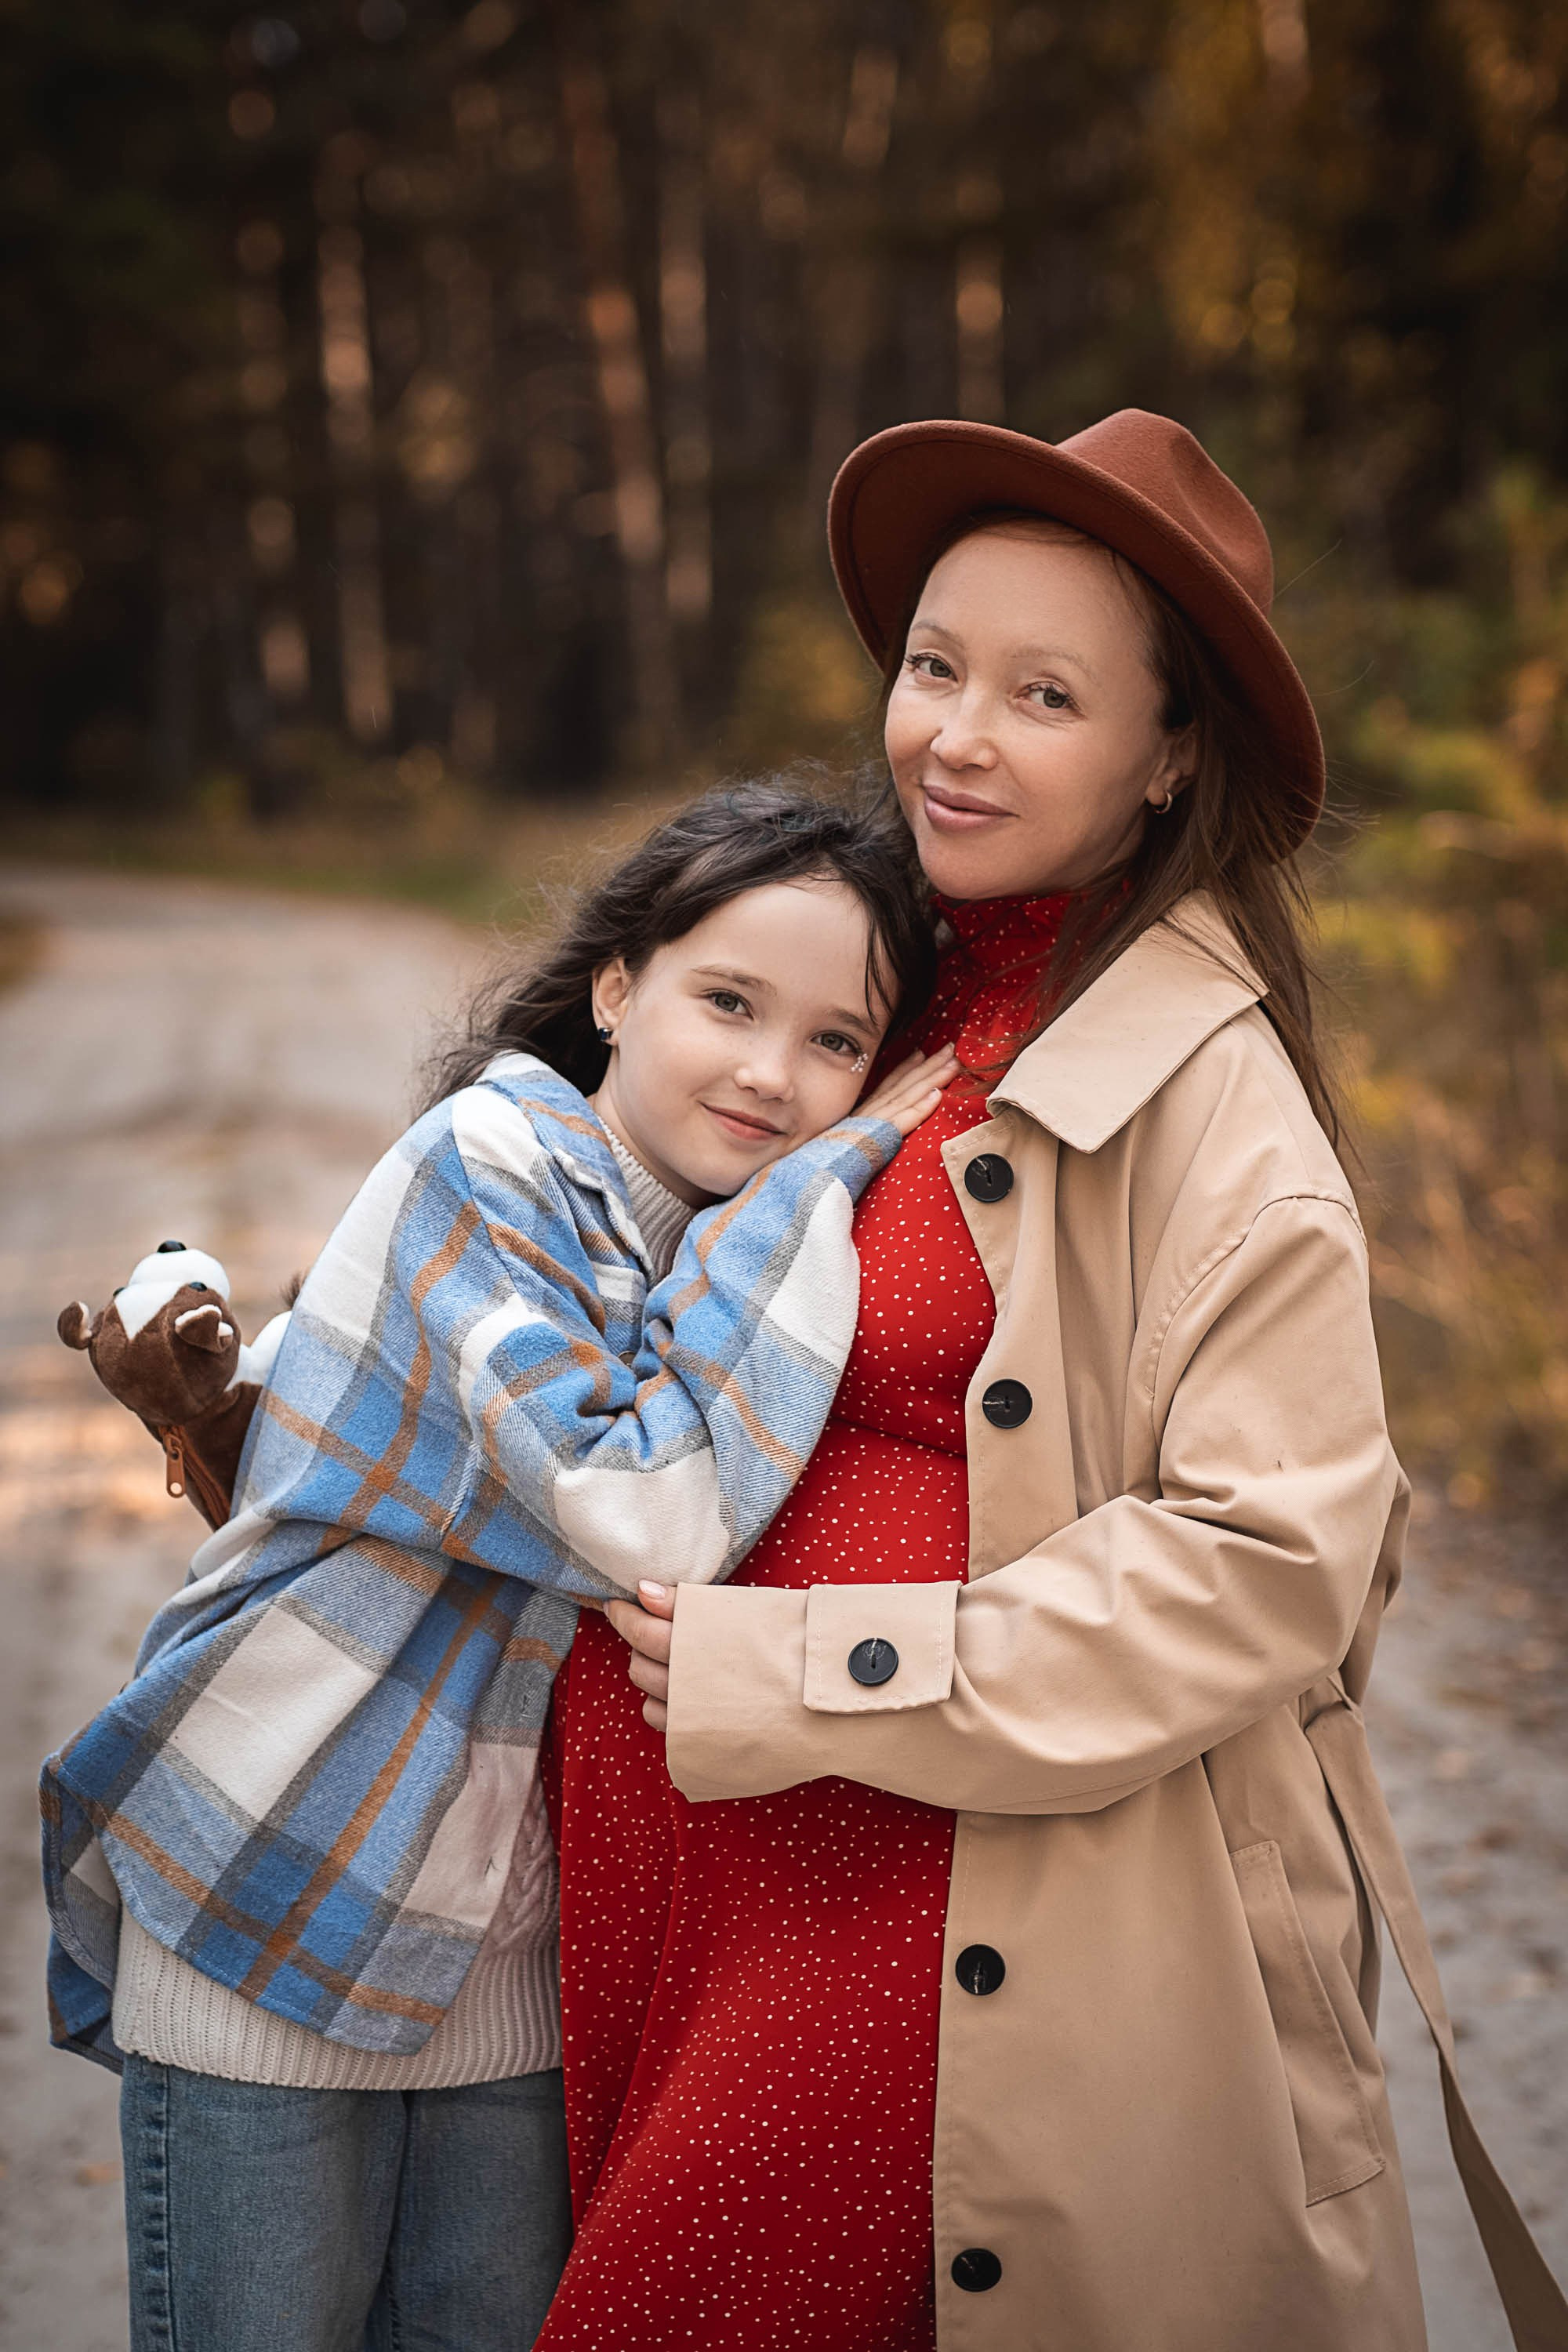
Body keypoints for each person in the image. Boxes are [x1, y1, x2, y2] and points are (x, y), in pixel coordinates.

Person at [544, 415, 1568, 2351]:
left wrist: (814, 1663)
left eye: (1042, 693)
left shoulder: (1217, 1107)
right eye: (933, 666)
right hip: (699, 1905)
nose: (955, 733)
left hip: (945, 1935)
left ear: (1167, 753)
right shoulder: (876, 982)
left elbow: (1269, 1565)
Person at [40, 779, 956, 2352]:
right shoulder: (493, 1159)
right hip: (285, 1896)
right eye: (728, 1001)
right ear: (618, 985)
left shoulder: (706, 1246)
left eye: (834, 1043)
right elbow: (643, 1511)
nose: (769, 1074)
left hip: (511, 1973)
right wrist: (842, 1165)